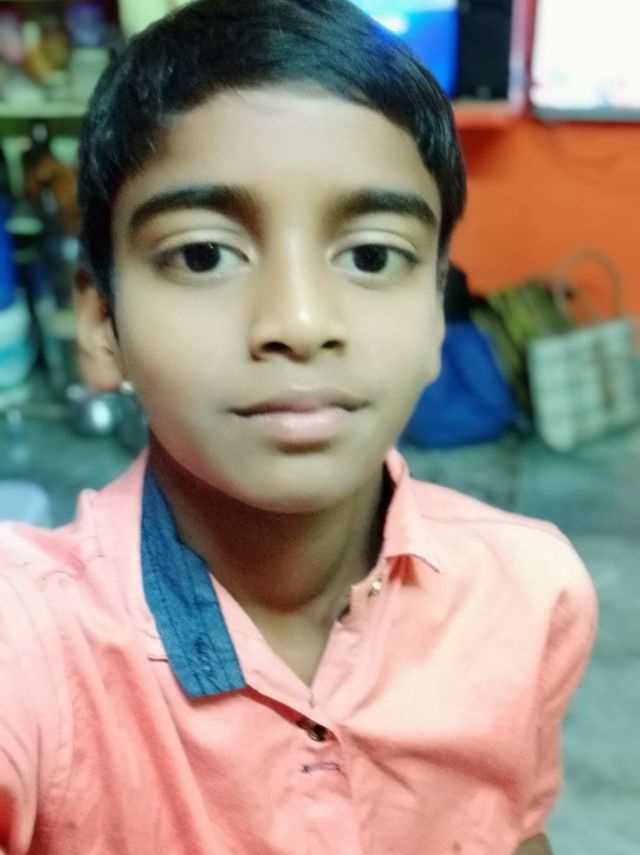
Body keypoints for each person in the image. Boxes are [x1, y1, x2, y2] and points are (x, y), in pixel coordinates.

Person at [0, 1, 597, 853]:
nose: (301, 321)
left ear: (436, 313)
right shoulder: (31, 646)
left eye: (371, 255)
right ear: (102, 324)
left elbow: (513, 826)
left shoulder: (531, 592)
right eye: (203, 254)